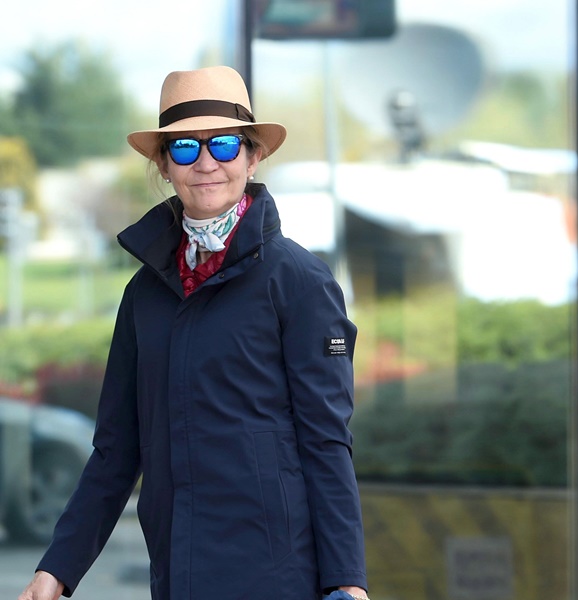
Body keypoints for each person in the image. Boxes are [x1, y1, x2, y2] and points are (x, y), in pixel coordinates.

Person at [19, 66, 369, 600]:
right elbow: (116, 450)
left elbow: (326, 442)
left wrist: (347, 583)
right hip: (177, 575)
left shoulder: (298, 282)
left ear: (253, 158)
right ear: (163, 165)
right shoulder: (145, 293)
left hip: (279, 579)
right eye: (184, 148)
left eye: (225, 145)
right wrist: (56, 572)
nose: (206, 163)